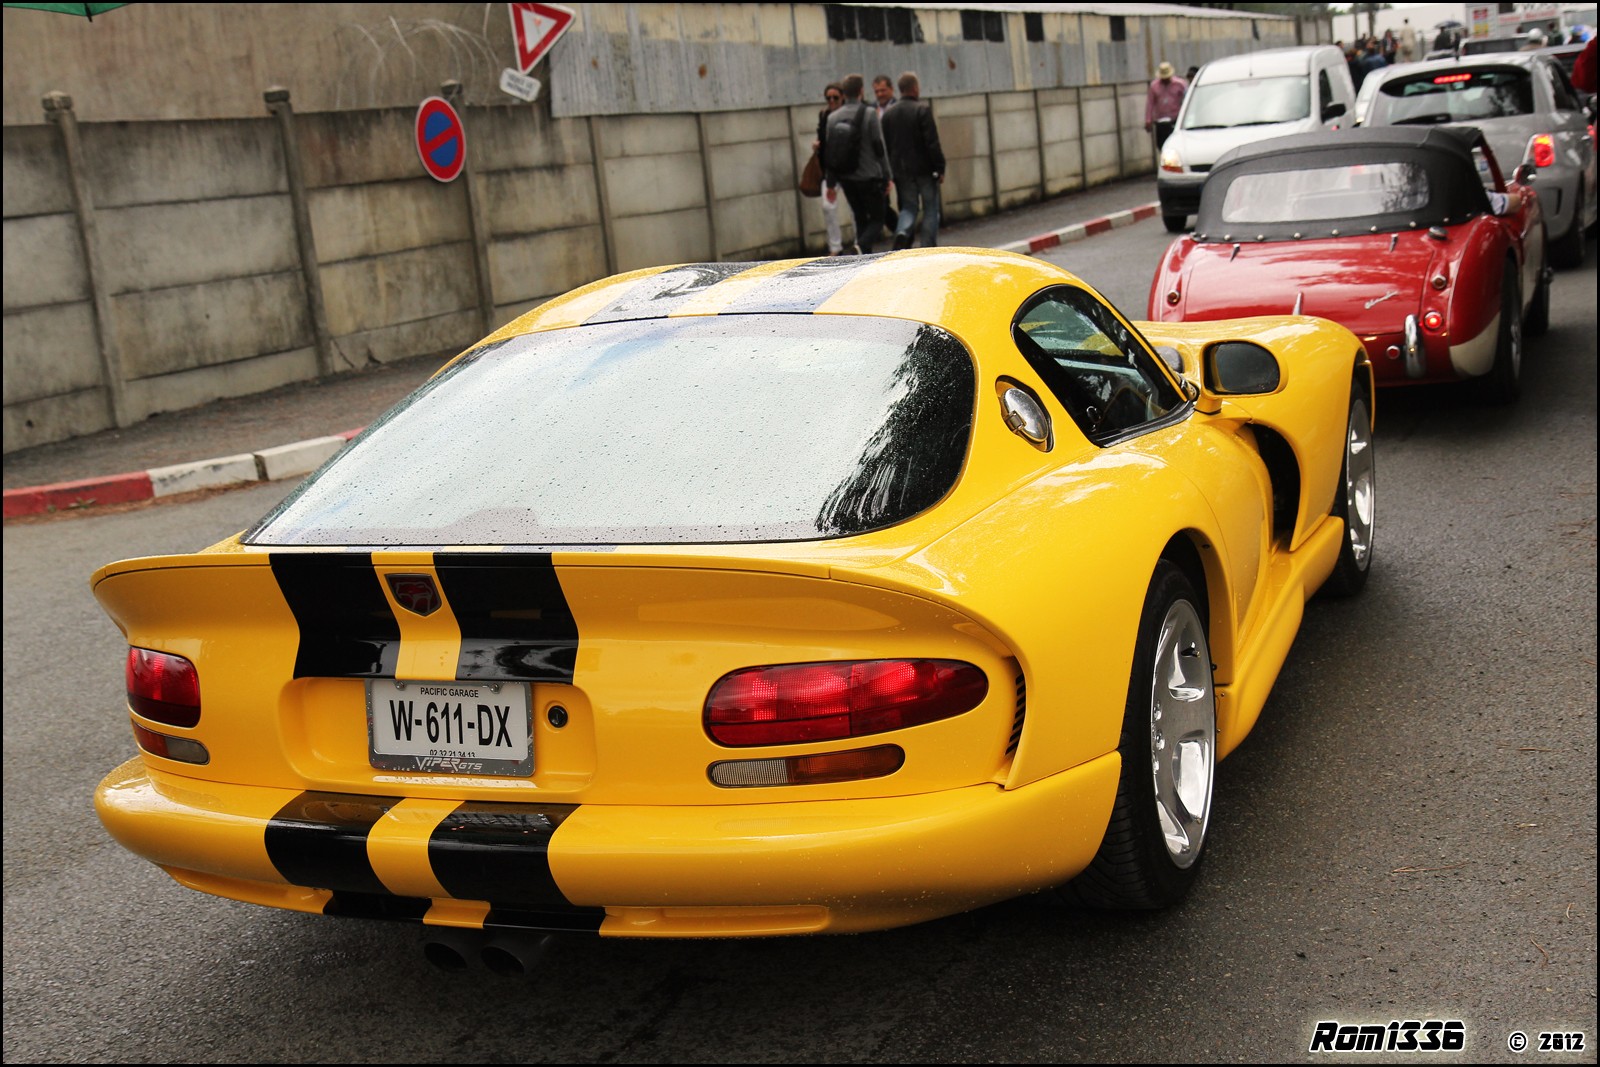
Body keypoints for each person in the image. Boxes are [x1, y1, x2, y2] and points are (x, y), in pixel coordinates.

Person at [823, 73, 890, 254]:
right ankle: (859, 247)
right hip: (869, 175)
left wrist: (830, 183)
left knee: (860, 217)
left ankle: (862, 258)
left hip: (847, 178)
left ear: (844, 93)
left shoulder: (832, 118)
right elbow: (879, 147)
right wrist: (887, 175)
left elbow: (831, 153)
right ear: (861, 91)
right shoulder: (869, 114)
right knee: (877, 218)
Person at [880, 70, 945, 249]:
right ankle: (927, 245)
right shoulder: (922, 110)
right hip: (925, 169)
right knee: (931, 208)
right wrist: (940, 167)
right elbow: (932, 142)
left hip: (901, 171)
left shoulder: (888, 115)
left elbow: (887, 145)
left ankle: (902, 232)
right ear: (915, 88)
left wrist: (891, 171)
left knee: (909, 207)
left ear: (900, 90)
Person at [813, 82, 848, 255]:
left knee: (855, 207)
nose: (831, 100)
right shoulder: (824, 115)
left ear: (843, 97)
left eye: (835, 97)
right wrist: (817, 146)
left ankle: (860, 244)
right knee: (828, 206)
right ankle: (835, 246)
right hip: (829, 169)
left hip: (849, 168)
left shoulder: (848, 114)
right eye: (828, 98)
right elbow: (822, 137)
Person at [1144, 61, 1187, 151]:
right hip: (1160, 122)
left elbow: (1186, 100)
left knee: (1176, 145)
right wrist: (1148, 120)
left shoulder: (1180, 84)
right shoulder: (1154, 86)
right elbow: (1150, 103)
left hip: (1175, 120)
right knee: (1161, 145)